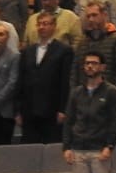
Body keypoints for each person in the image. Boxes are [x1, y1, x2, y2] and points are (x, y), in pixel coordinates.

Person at [62, 51, 116, 173]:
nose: (90, 66)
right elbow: (69, 121)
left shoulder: (111, 92)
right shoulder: (76, 93)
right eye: (87, 63)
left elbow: (115, 122)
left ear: (102, 67)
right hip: (78, 150)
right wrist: (66, 147)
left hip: (99, 151)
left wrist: (109, 146)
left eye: (94, 63)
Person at [17, 12, 75, 146]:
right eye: (39, 24)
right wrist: (18, 110)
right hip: (29, 109)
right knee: (29, 149)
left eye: (46, 24)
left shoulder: (64, 50)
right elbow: (21, 81)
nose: (42, 27)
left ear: (54, 27)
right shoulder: (27, 51)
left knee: (52, 147)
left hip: (52, 110)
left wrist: (63, 109)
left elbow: (65, 82)